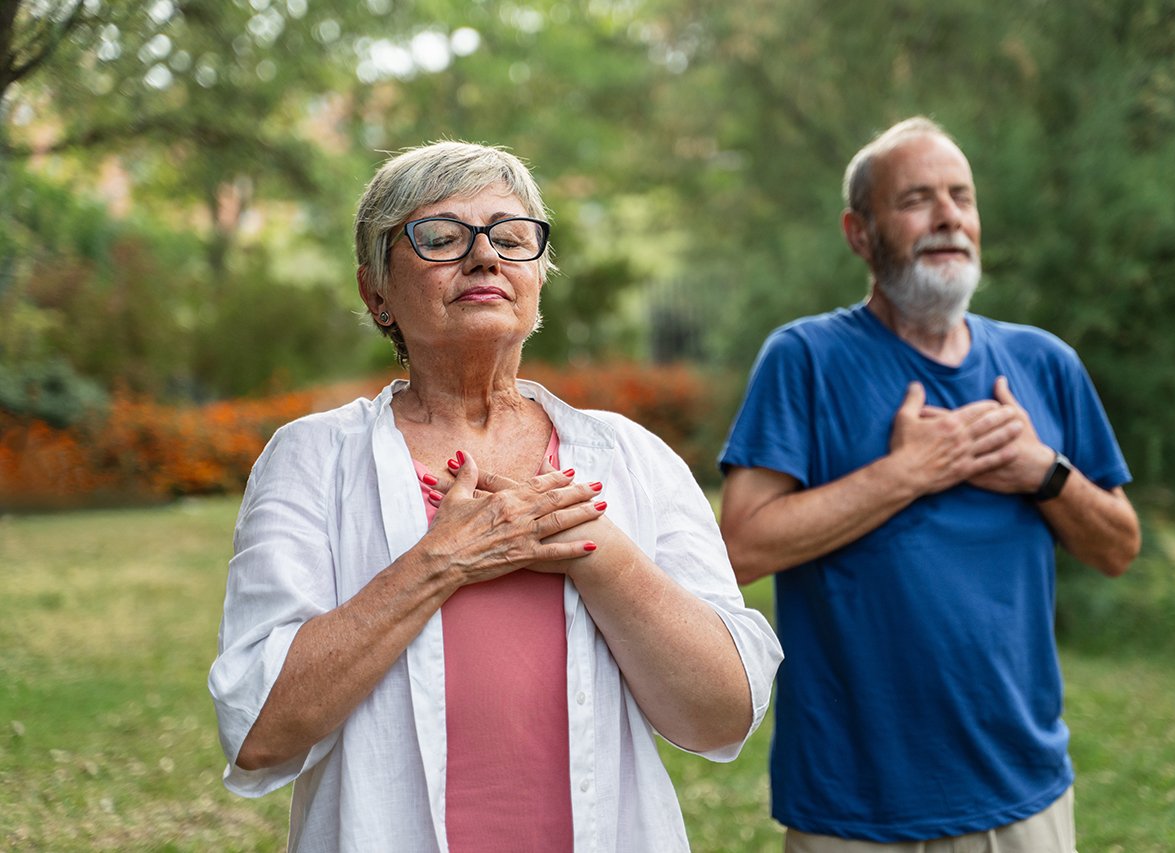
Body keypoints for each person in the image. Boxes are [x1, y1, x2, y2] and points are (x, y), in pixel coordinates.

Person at [208, 140, 782, 853]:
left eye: (511, 238)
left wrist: (596, 551)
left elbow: (723, 715)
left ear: (537, 276)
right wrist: (439, 561)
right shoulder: (313, 459)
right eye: (441, 237)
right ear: (376, 293)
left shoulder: (631, 456)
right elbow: (259, 729)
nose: (485, 257)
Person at [718, 117, 1141, 852]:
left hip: (1023, 792)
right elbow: (740, 548)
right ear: (859, 233)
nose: (948, 216)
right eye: (916, 199)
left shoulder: (1044, 363)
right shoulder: (805, 358)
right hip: (853, 805)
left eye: (961, 197)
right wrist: (906, 473)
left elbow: (1118, 546)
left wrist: (1044, 472)